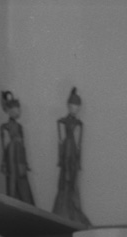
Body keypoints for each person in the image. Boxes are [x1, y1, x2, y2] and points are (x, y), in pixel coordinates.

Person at [52, 87, 91, 225]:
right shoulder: (62, 122)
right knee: (65, 181)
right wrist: (61, 157)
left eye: (78, 106)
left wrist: (77, 161)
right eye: (74, 106)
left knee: (72, 182)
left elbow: (79, 145)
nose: (76, 109)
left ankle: (71, 209)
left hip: (73, 155)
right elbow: (60, 141)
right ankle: (63, 211)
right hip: (66, 154)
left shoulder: (79, 124)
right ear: (69, 106)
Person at [0, 90, 35, 205]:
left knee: (22, 178)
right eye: (15, 109)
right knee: (12, 179)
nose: (18, 112)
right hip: (11, 155)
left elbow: (23, 145)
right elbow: (4, 145)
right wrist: (4, 162)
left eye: (18, 109)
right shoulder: (4, 127)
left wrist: (25, 162)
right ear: (9, 111)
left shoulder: (19, 127)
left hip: (19, 155)